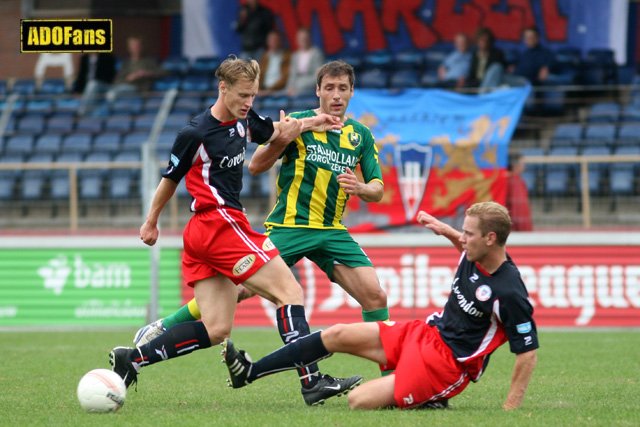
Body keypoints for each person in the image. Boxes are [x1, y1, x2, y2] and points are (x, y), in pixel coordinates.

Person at [109, 56, 362, 407]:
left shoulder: (245, 121)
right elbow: (170, 178)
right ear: (222, 88)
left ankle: (132, 358)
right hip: (219, 223)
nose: (248, 103)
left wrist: (313, 122)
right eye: (243, 95)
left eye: (254, 96)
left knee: (216, 329)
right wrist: (151, 221)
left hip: (206, 232)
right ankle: (312, 381)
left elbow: (275, 133)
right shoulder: (196, 133)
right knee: (289, 291)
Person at [222, 202, 539, 410]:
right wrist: (445, 230)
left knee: (359, 401)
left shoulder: (508, 291)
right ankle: (248, 372)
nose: (463, 238)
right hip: (425, 333)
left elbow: (527, 352)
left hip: (446, 365)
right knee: (337, 334)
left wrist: (510, 409)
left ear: (491, 239)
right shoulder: (475, 251)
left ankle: (431, 397)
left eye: (469, 234)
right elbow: (462, 243)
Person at [105, 36, 163, 102]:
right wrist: (130, 78)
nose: (136, 48)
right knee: (110, 90)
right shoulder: (126, 64)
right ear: (129, 48)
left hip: (140, 89)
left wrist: (147, 73)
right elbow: (117, 81)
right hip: (125, 87)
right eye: (133, 46)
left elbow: (164, 72)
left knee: (113, 93)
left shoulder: (150, 61)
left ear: (142, 46)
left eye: (138, 45)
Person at [286, 27, 325, 97]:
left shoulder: (317, 53)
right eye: (301, 38)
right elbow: (292, 75)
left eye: (305, 38)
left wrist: (299, 87)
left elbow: (318, 76)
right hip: (295, 87)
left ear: (310, 39)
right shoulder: (295, 56)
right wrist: (289, 88)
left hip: (309, 89)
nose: (303, 40)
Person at [258, 30, 291, 96]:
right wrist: (258, 90)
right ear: (267, 42)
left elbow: (285, 77)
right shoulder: (264, 57)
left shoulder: (286, 56)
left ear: (280, 41)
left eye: (276, 40)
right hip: (263, 91)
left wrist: (270, 90)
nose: (273, 42)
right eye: (271, 40)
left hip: (279, 91)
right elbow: (259, 76)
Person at [506, 152, 533, 231]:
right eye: (522, 163)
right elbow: (519, 207)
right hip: (516, 228)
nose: (524, 166)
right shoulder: (515, 181)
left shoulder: (507, 179)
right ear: (515, 165)